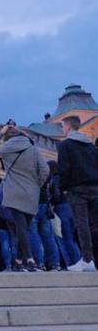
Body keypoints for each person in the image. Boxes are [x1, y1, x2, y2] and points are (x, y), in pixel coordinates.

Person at [0, 125, 48, 272]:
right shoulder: (33, 149)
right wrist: (37, 185)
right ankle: (19, 261)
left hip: (13, 192)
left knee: (21, 227)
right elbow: (45, 170)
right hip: (31, 193)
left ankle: (29, 259)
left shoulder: (6, 148)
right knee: (24, 227)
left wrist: (0, 133)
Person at [57, 115, 98, 272]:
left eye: (63, 126)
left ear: (68, 127)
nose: (62, 129)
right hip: (95, 187)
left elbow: (64, 169)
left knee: (82, 224)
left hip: (77, 189)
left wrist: (62, 187)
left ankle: (87, 259)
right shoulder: (91, 146)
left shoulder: (65, 145)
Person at [48, 160, 81, 268]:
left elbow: (57, 195)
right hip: (71, 207)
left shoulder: (55, 179)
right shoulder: (66, 177)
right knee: (72, 237)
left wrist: (51, 201)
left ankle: (71, 263)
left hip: (61, 208)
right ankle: (78, 260)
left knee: (65, 237)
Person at [27, 172, 60, 271]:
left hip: (31, 205)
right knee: (48, 236)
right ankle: (54, 263)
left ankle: (39, 263)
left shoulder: (27, 173)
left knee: (33, 235)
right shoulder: (43, 172)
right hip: (44, 204)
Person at [0, 177, 14, 271]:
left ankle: (8, 265)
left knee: (4, 243)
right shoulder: (10, 192)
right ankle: (16, 263)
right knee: (13, 243)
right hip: (11, 218)